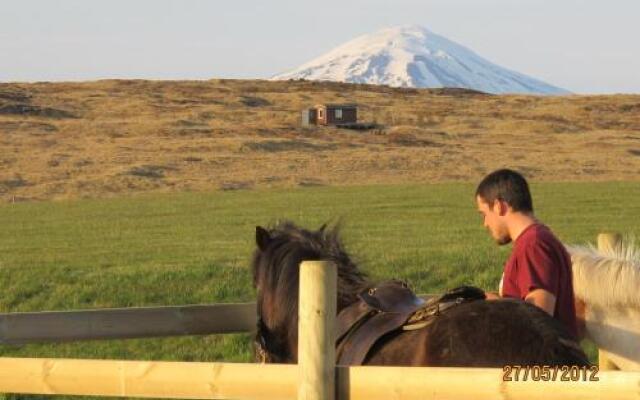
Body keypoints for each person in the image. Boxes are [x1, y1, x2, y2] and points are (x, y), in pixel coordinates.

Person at [475, 169, 578, 339]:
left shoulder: (534, 244)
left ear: (499, 206)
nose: (485, 224)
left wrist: (491, 303)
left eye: (484, 214)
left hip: (543, 364)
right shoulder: (538, 239)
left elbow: (539, 317)